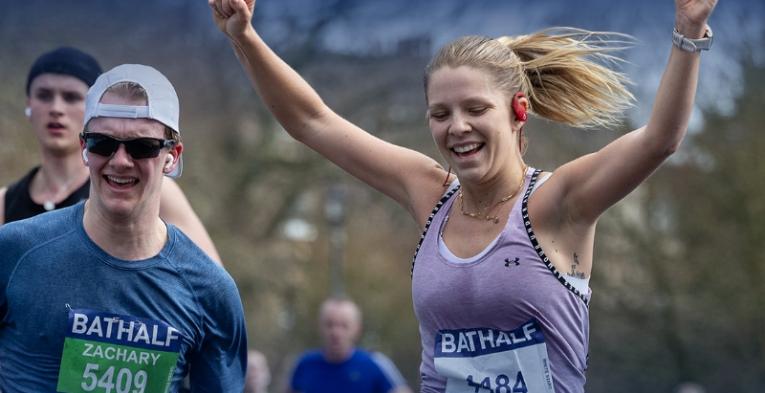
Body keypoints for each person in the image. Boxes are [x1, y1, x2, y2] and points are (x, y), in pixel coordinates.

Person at [210, 0, 717, 391]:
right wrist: (245, 37)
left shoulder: (557, 203)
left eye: (475, 109)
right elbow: (313, 121)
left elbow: (659, 140)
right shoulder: (430, 195)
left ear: (518, 110)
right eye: (440, 114)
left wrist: (688, 31)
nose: (457, 128)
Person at [0, 64, 247, 391]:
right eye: (103, 143)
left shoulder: (209, 290)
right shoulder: (15, 251)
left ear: (172, 156)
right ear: (85, 148)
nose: (120, 160)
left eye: (141, 147)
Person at [0, 46, 223, 264]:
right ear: (28, 105)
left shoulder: (153, 187)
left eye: (71, 97)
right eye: (44, 95)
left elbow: (208, 280)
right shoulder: (5, 202)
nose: (56, 108)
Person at [289, 298, 412, 393]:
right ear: (319, 326)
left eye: (344, 326)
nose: (336, 332)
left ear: (357, 329)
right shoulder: (304, 364)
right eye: (329, 324)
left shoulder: (375, 363)